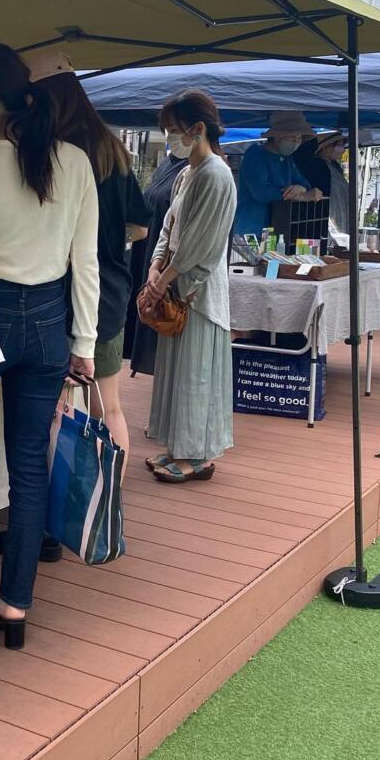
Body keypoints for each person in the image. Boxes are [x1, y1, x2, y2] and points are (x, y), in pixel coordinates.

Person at [0, 43, 99, 650]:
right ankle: (14, 606)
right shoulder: (75, 162)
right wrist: (85, 342)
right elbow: (86, 261)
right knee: (30, 467)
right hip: (48, 322)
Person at [26, 48, 149, 464]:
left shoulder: (51, 153)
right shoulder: (111, 148)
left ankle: (62, 498)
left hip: (62, 292)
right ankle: (110, 498)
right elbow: (141, 228)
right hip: (110, 288)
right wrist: (109, 238)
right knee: (109, 406)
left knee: (59, 407)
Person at [142, 91, 236, 483]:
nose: (170, 137)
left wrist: (163, 281)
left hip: (198, 293)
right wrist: (155, 267)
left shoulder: (216, 174)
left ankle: (196, 455)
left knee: (196, 376)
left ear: (198, 129)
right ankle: (178, 447)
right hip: (176, 285)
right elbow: (169, 227)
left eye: (174, 130)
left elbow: (202, 245)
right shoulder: (187, 173)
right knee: (178, 374)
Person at [128, 139, 191, 376]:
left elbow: (188, 236)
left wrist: (164, 275)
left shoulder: (201, 173)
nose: (172, 135)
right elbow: (166, 223)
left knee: (166, 312)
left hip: (173, 265)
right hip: (153, 252)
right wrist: (155, 267)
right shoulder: (168, 164)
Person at [233, 111, 321, 236]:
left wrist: (300, 188)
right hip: (251, 229)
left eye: (299, 138)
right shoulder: (255, 154)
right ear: (278, 137)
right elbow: (261, 193)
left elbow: (304, 182)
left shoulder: (287, 159)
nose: (297, 142)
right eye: (293, 138)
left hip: (276, 227)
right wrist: (301, 196)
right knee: (254, 249)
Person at [295, 131, 350, 231]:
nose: (341, 149)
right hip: (324, 221)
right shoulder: (317, 165)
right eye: (338, 145)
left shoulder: (336, 167)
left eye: (342, 145)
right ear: (325, 147)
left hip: (339, 217)